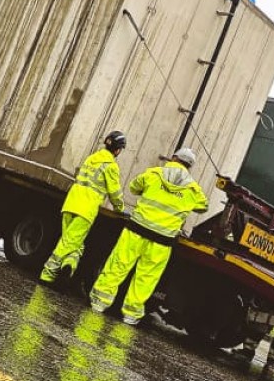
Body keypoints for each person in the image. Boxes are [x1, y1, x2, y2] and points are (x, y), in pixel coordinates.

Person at [89, 146, 208, 325]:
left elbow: (133, 187)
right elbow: (203, 207)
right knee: (146, 278)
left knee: (118, 266)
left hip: (136, 230)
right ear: (189, 166)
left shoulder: (154, 174)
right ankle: (130, 314)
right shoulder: (193, 189)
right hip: (162, 241)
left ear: (174, 158)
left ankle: (99, 302)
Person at [39, 131, 126, 284]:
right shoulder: (111, 166)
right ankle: (47, 274)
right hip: (86, 209)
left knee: (72, 241)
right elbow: (114, 193)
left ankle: (69, 265)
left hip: (71, 203)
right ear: (118, 150)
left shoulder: (92, 158)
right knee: (69, 243)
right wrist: (120, 209)